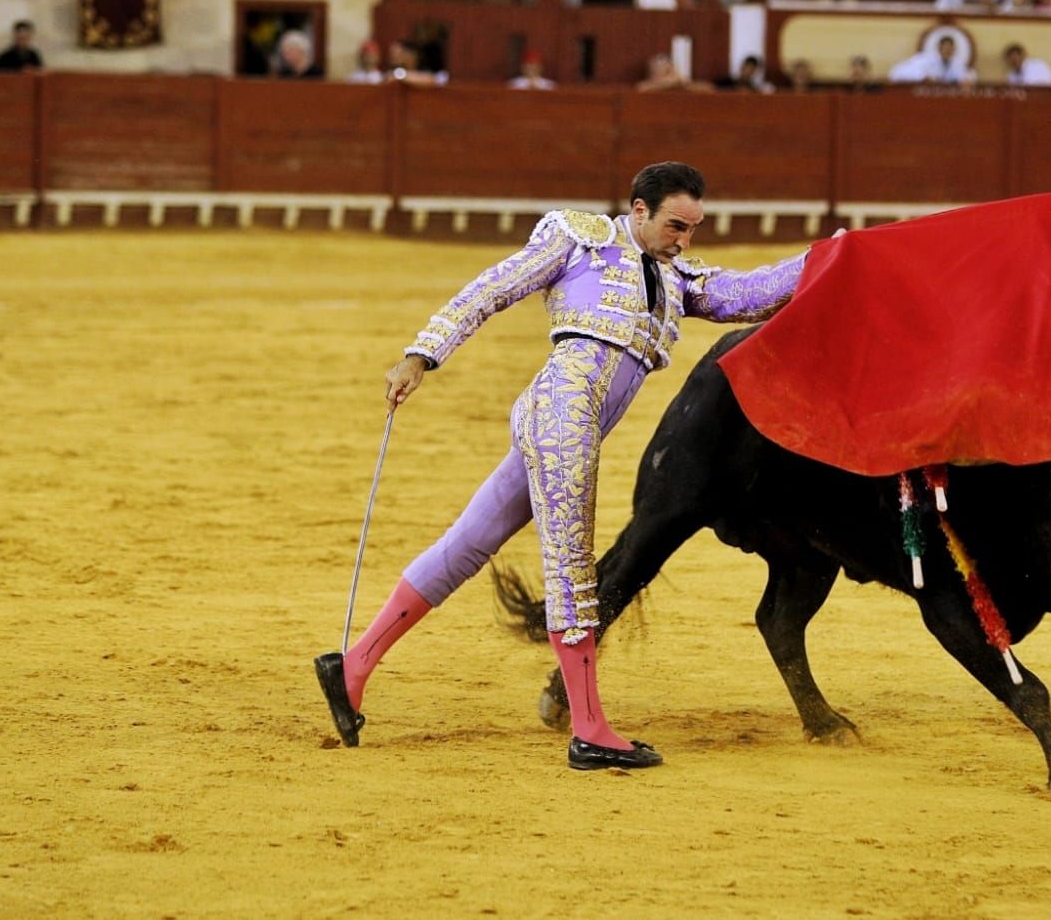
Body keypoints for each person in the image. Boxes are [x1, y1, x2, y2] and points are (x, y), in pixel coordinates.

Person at [335, 162, 808, 770]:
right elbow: (492, 288)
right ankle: (589, 729)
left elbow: (748, 293)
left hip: (569, 422)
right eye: (675, 225)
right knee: (572, 566)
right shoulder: (578, 236)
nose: (684, 239)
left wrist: (830, 258)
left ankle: (353, 667)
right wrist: (421, 355)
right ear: (639, 210)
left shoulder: (678, 278)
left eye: (692, 229)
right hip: (562, 414)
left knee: (468, 545)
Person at [889, 34, 976, 84]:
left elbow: (968, 74)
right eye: (946, 48)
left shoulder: (956, 63)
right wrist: (923, 77)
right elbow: (895, 72)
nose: (948, 51)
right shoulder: (925, 59)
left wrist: (967, 79)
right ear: (939, 48)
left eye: (950, 49)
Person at [637, 53, 714, 93]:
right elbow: (641, 88)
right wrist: (667, 84)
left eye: (669, 71)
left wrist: (681, 83)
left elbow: (709, 88)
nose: (669, 76)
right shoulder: (646, 87)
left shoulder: (682, 85)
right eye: (665, 72)